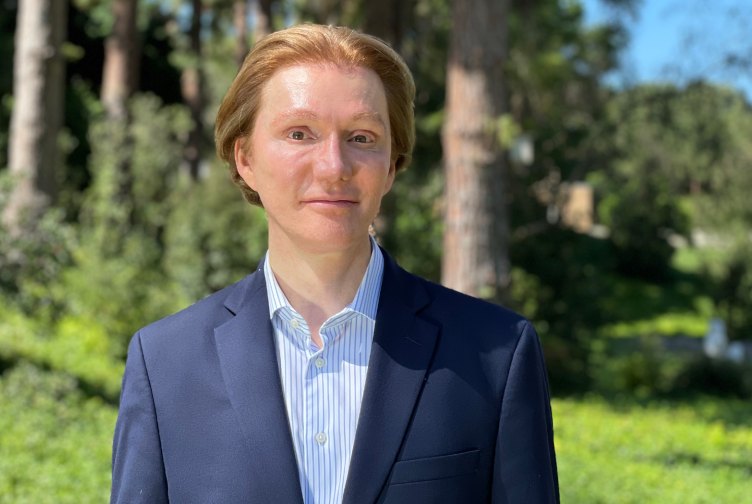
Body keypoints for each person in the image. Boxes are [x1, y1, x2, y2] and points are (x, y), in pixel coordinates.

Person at [110, 24, 559, 504]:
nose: (333, 166)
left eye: (361, 137)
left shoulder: (496, 355)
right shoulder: (164, 364)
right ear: (246, 158)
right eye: (299, 133)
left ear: (390, 166)